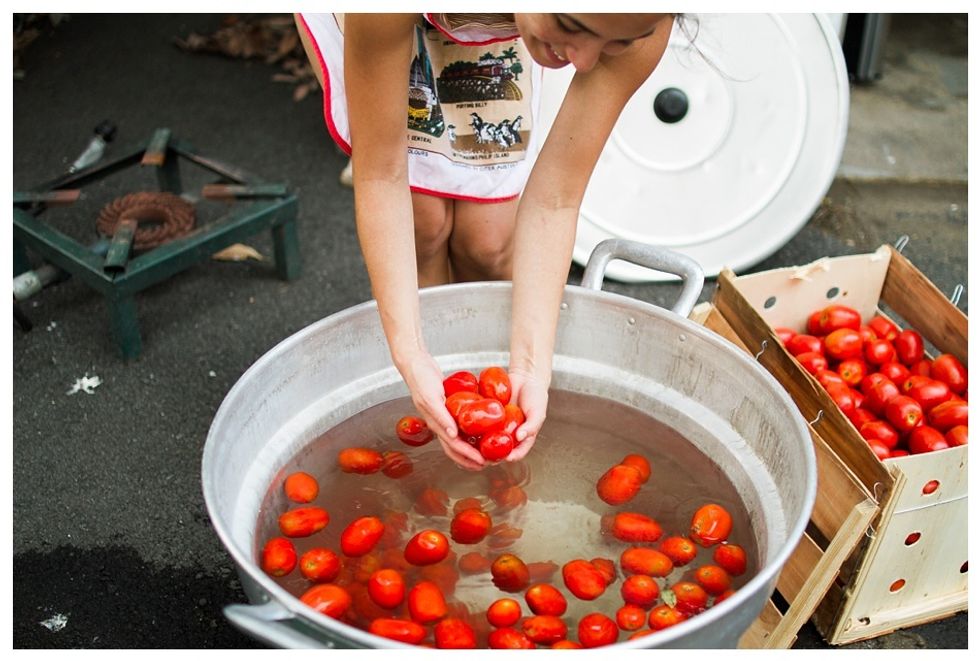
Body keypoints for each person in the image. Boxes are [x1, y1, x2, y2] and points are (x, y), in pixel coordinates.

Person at [296, 13, 674, 470]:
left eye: (614, 43)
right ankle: (434, 394)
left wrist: (533, 367)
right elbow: (382, 173)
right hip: (386, 21)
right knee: (424, 223)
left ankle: (461, 406)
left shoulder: (640, 19)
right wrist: (411, 355)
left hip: (495, 24)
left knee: (488, 241)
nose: (584, 61)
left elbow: (554, 200)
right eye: (570, 23)